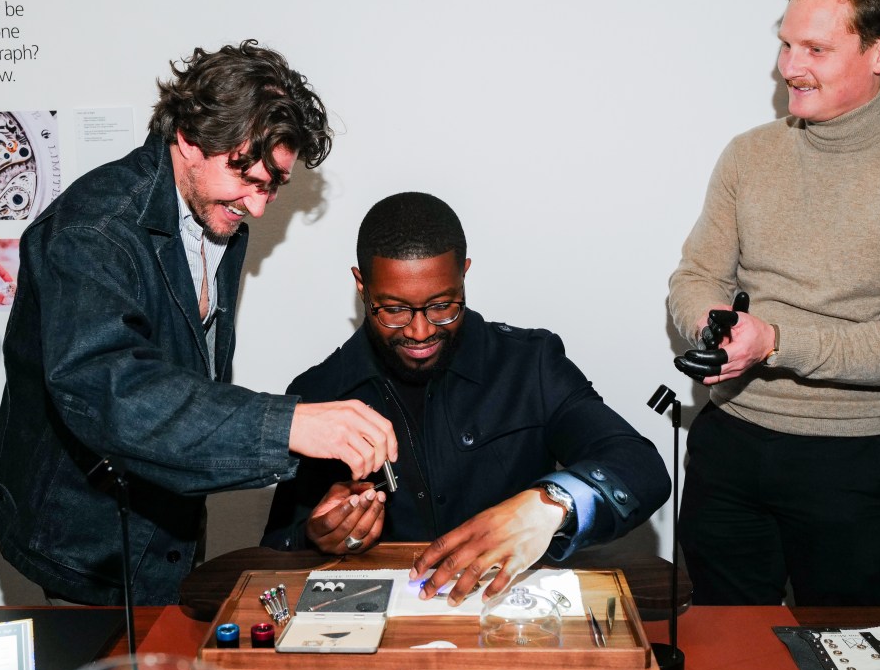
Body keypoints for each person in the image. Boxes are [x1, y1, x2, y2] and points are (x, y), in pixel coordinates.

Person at [0, 40, 397, 605]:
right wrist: (288, 426)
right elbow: (112, 393)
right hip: (85, 543)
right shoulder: (93, 230)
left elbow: (183, 374)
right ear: (188, 136)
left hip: (163, 528)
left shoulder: (216, 214)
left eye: (273, 185)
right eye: (246, 177)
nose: (257, 205)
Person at [667, 0, 880, 606]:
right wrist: (714, 325)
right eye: (786, 44)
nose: (789, 67)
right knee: (725, 650)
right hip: (726, 450)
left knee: (836, 652)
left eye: (814, 47)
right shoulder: (749, 153)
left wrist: (775, 340)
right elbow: (697, 274)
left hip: (852, 466)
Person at [263, 192, 670, 605]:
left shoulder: (530, 366)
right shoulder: (319, 394)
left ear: (464, 275)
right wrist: (315, 536)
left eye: (443, 306)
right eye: (394, 310)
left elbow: (641, 468)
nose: (420, 332)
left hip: (512, 624)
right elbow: (273, 555)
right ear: (361, 285)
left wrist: (549, 505)